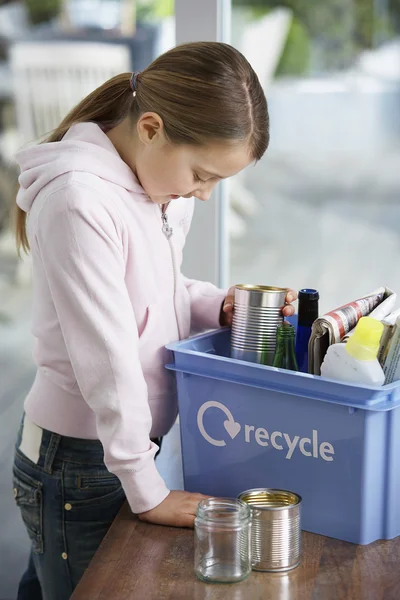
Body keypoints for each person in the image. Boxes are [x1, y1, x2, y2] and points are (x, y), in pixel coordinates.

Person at [12, 41, 296, 599]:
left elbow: (156, 294)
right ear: (149, 128)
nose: (206, 193)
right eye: (202, 173)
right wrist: (148, 489)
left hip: (123, 449)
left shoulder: (160, 189)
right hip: (81, 457)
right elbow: (108, 358)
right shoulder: (79, 202)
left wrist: (216, 304)